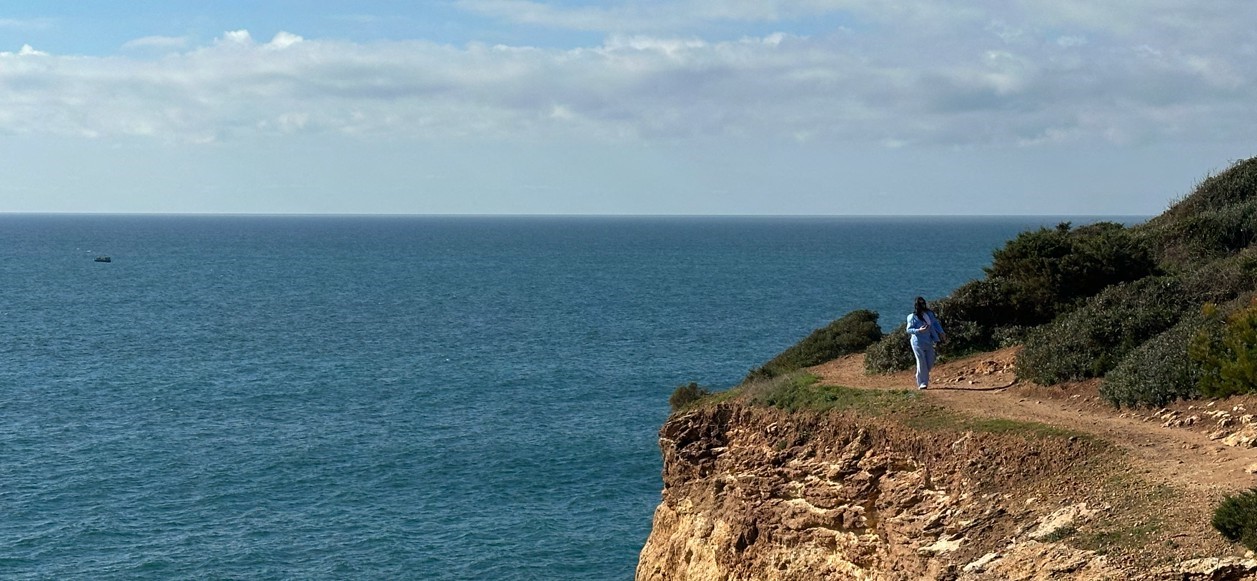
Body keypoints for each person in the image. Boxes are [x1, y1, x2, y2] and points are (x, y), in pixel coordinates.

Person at [906, 297, 945, 389]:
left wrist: (941, 332)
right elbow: (908, 330)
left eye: (923, 303)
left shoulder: (929, 314)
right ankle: (922, 383)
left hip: (928, 341)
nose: (923, 305)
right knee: (921, 361)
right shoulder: (912, 317)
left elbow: (935, 324)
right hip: (917, 342)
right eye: (921, 304)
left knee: (930, 361)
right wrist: (919, 330)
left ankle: (921, 375)